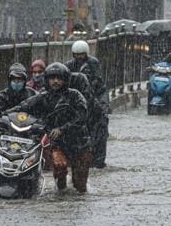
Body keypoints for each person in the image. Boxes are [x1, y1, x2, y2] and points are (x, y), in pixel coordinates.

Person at [13, 63, 91, 192]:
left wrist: (62, 128)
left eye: (59, 78)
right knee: (59, 169)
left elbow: (82, 116)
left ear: (65, 80)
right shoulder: (43, 97)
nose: (55, 81)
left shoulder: (75, 96)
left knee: (80, 185)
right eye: (52, 78)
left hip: (79, 142)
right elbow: (22, 107)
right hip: (58, 143)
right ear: (47, 80)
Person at [66, 40, 109, 168]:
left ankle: (98, 159)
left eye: (82, 54)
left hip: (94, 98)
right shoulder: (69, 65)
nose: (79, 57)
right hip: (76, 101)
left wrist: (95, 97)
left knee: (101, 126)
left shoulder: (93, 63)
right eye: (77, 54)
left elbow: (99, 81)